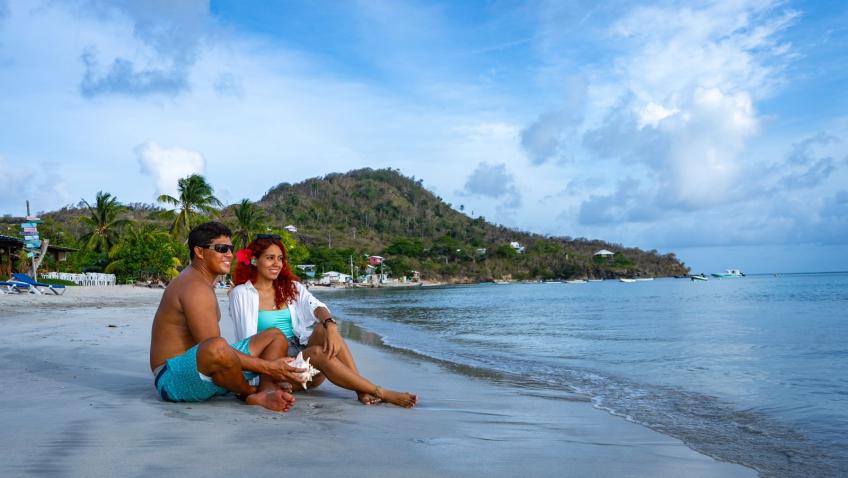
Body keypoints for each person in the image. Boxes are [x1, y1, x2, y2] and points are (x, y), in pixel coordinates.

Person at [229, 234, 417, 408]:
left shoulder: (290, 287)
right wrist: (256, 381)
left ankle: (360, 387)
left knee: (323, 329)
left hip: (305, 363)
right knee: (318, 353)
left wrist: (331, 326)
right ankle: (379, 391)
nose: (276, 264)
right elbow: (245, 338)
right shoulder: (242, 294)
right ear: (255, 260)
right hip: (273, 369)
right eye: (270, 258)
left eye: (280, 258)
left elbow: (316, 306)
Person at [149, 222, 304, 412]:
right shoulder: (194, 287)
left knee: (274, 335)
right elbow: (213, 349)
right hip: (172, 378)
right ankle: (249, 392)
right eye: (222, 249)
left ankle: (266, 390)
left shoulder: (202, 283)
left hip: (200, 369)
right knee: (217, 346)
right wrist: (270, 367)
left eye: (230, 248)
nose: (229, 254)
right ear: (199, 252)